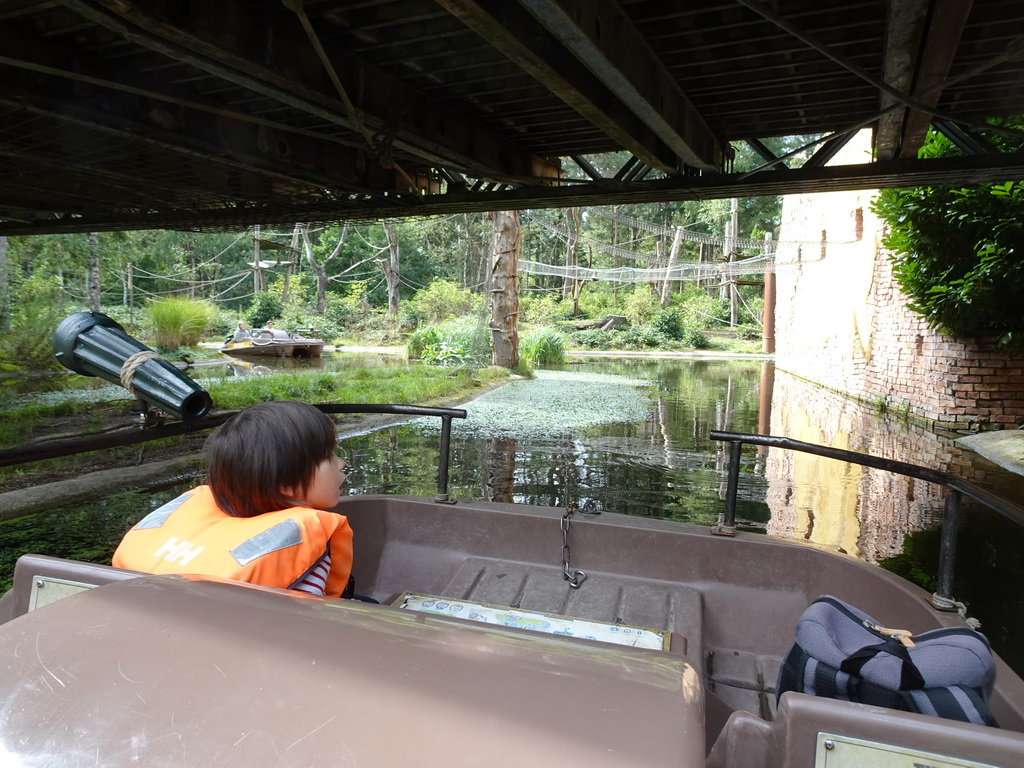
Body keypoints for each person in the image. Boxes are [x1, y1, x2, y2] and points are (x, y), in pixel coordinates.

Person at [113, 401, 355, 598]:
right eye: (329, 456)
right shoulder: (303, 538)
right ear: (287, 485)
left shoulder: (231, 508)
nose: (341, 462)